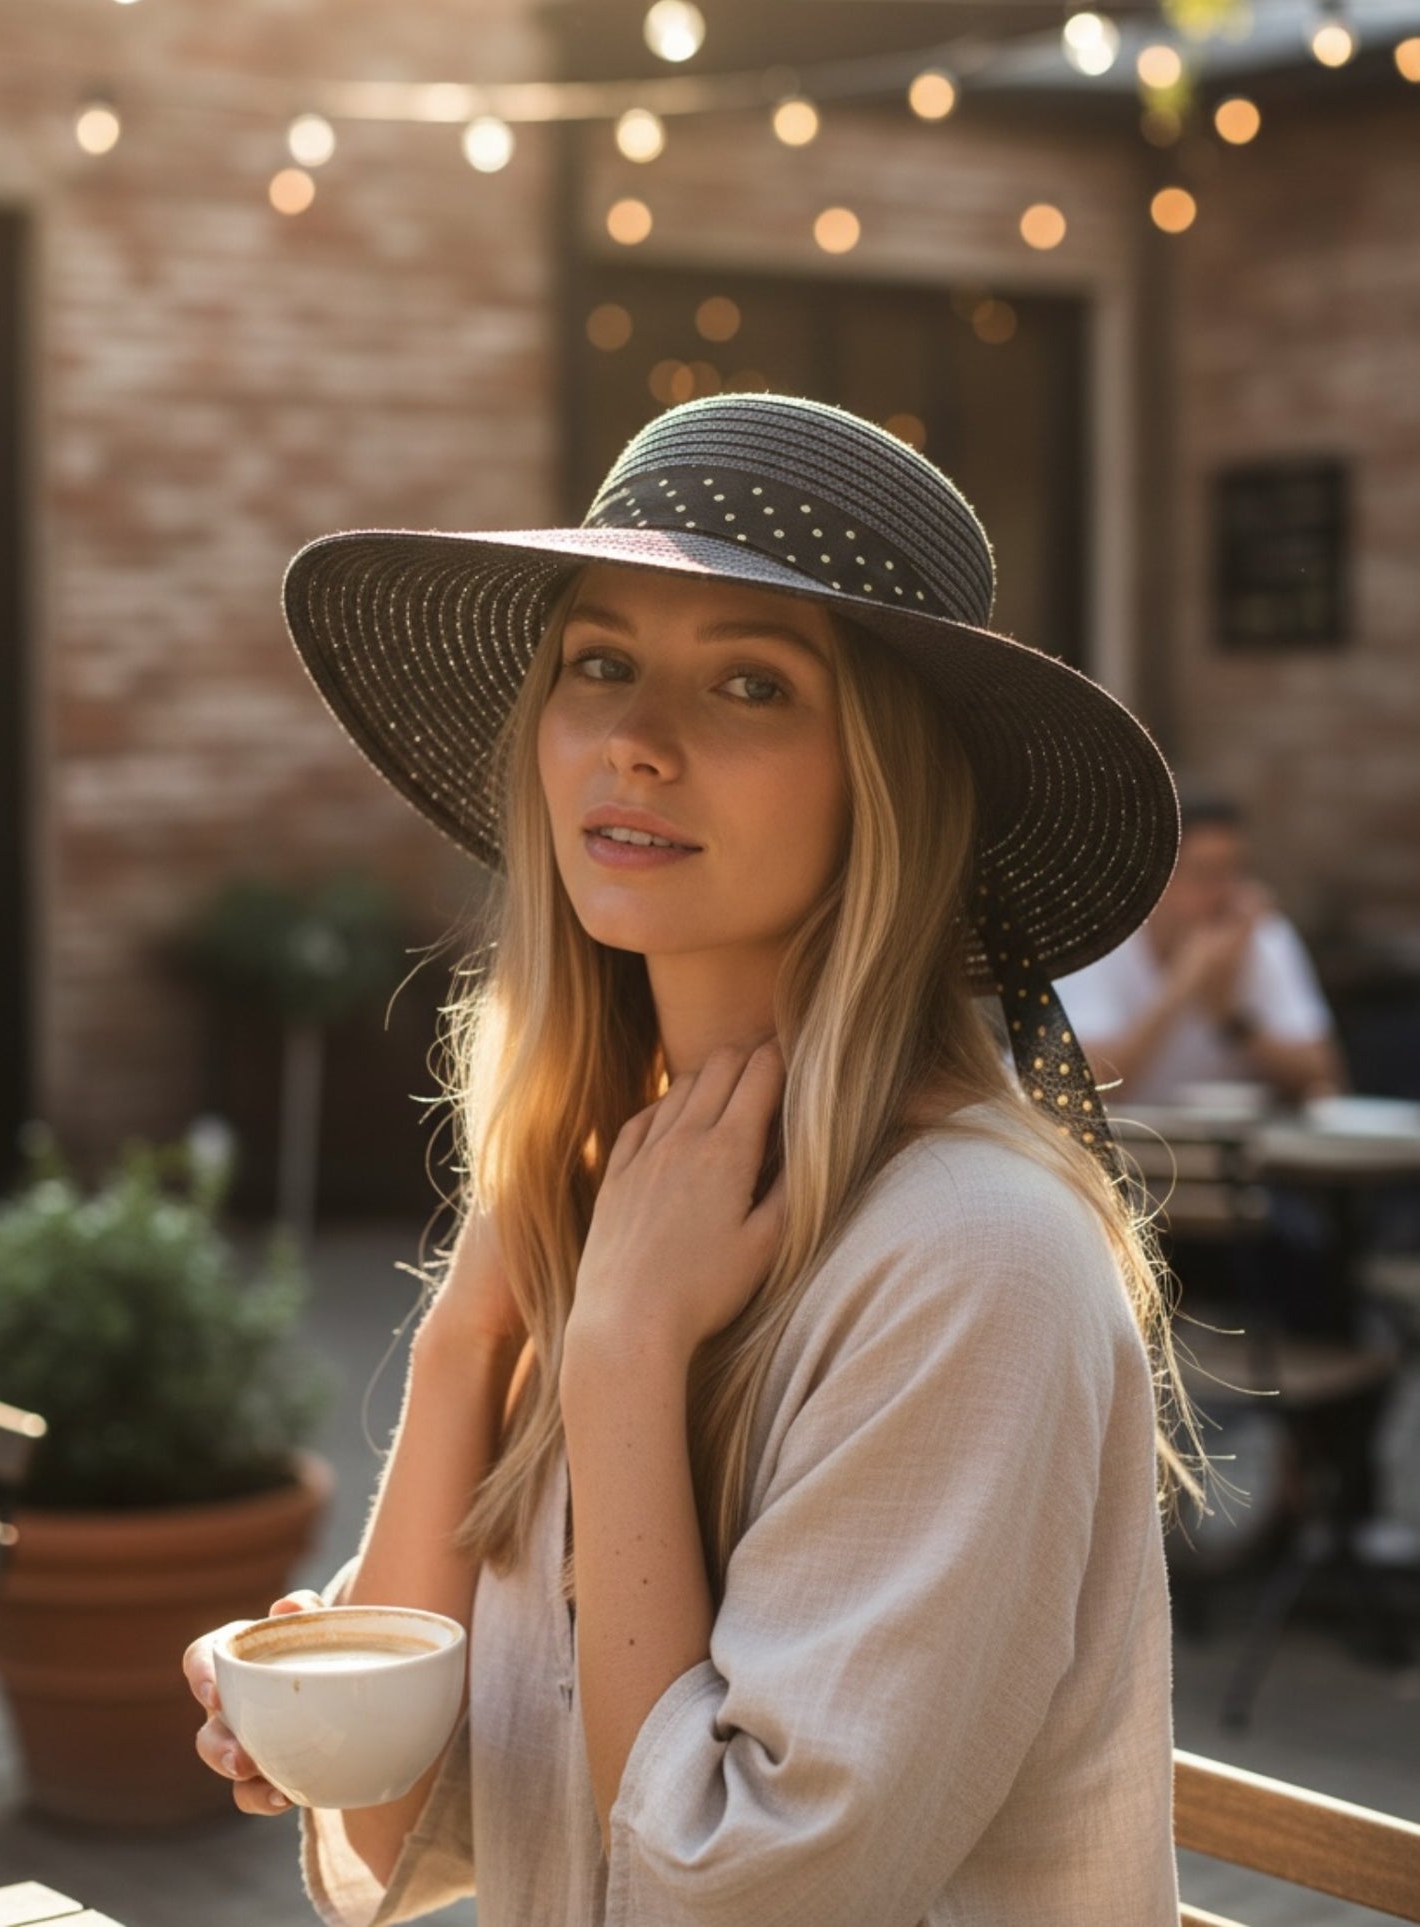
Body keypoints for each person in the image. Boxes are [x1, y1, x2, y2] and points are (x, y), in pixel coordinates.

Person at [184, 394, 1203, 1926]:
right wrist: (473, 1338)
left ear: (888, 784)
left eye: (749, 681)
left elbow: (722, 1898)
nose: (638, 743)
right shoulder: (625, 1183)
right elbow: (394, 1834)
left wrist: (619, 1351)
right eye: (600, 663)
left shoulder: (972, 1254)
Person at [1055, 791, 1345, 1110]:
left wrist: (1231, 1018)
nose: (1225, 892)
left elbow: (1322, 1077)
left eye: (1234, 872)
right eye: (1206, 874)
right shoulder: (1094, 938)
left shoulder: (1259, 934)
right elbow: (1077, 1088)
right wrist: (1180, 987)